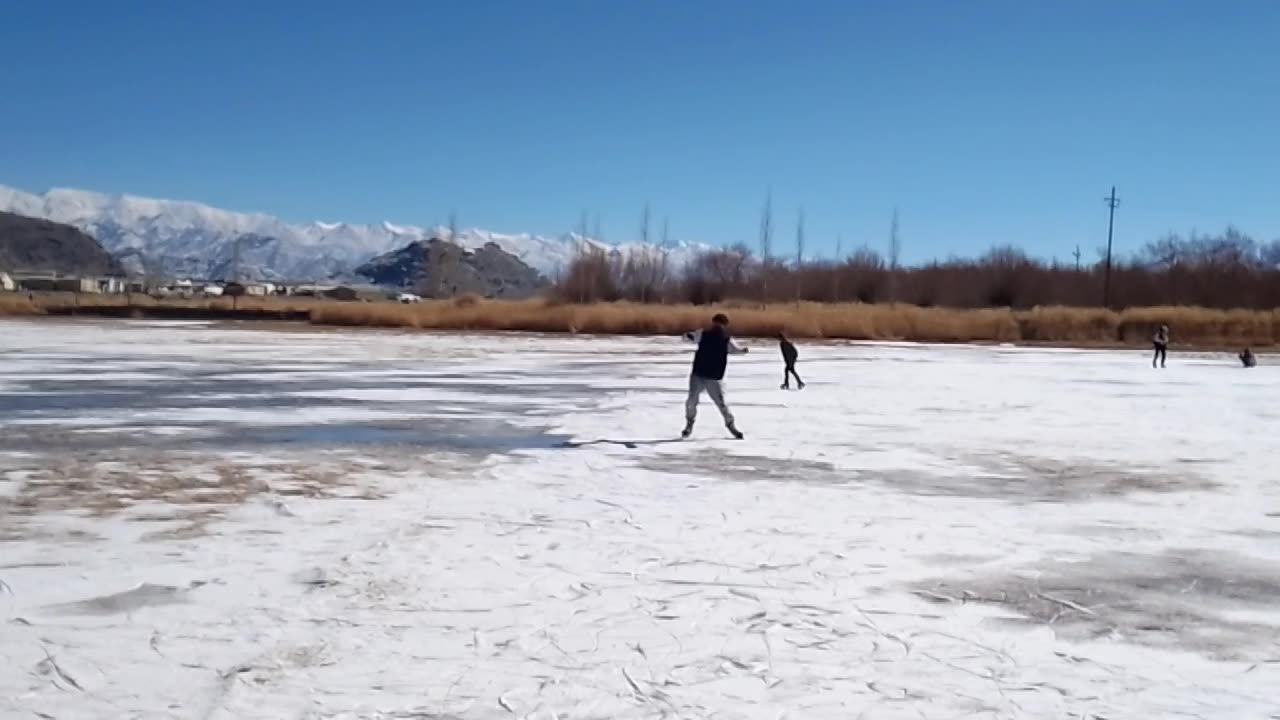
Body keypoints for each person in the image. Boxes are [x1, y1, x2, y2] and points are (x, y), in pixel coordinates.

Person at [681, 313, 747, 439]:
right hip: (698, 374)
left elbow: (735, 350)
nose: (718, 326)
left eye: (721, 324)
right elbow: (689, 337)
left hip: (713, 377)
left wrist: (743, 350)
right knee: (691, 400)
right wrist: (687, 335)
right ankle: (689, 424)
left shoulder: (726, 340)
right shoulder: (703, 334)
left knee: (721, 403)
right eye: (716, 323)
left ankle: (731, 426)